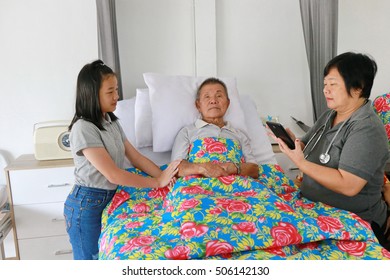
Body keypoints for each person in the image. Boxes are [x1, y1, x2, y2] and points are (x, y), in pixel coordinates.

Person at [270, 52, 390, 249]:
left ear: (358, 87)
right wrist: (293, 144)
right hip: (314, 208)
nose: (326, 90)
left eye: (333, 84)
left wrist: (301, 163)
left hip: (352, 220)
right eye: (325, 84)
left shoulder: (366, 128)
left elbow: (349, 185)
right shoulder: (329, 115)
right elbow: (308, 148)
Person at [64, 60, 181, 260]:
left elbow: (135, 158)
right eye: (110, 92)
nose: (117, 96)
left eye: (116, 90)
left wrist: (163, 177)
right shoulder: (83, 128)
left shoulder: (111, 122)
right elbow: (113, 174)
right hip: (86, 204)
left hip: (107, 199)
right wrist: (155, 183)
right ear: (91, 93)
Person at [171, 77, 259, 179]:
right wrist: (202, 168)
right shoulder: (187, 132)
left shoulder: (239, 134)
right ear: (198, 105)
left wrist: (235, 168)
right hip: (197, 187)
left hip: (238, 186)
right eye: (207, 97)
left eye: (219, 95)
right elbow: (176, 168)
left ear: (228, 103)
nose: (213, 101)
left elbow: (254, 169)